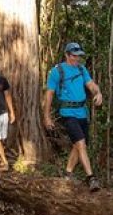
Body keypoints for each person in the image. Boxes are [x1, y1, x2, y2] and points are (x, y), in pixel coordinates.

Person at [43, 42, 103, 192]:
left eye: (79, 56)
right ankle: (91, 178)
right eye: (74, 56)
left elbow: (91, 85)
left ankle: (68, 174)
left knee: (78, 146)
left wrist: (98, 93)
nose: (77, 59)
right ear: (67, 55)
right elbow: (49, 94)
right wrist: (46, 116)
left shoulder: (82, 70)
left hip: (82, 112)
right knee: (81, 143)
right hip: (67, 113)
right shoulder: (57, 72)